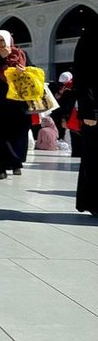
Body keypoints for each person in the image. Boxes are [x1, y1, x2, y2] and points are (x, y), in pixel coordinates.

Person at [0, 29, 30, 179]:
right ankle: (2, 168)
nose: (0, 44)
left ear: (9, 41)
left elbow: (35, 71)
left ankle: (16, 163)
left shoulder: (21, 55)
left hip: (17, 102)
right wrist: (2, 58)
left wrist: (25, 71)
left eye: (2, 41)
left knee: (18, 132)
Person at [73, 17, 98, 216]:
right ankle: (93, 203)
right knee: (93, 158)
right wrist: (89, 110)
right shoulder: (91, 34)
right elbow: (83, 76)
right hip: (95, 109)